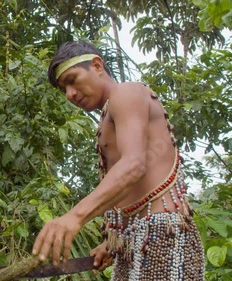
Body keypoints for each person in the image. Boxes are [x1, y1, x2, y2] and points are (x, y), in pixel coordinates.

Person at [31, 40, 205, 280]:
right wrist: (114, 241)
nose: (70, 94)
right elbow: (132, 185)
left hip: (160, 236)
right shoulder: (109, 115)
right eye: (63, 90)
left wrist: (75, 216)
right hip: (138, 242)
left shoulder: (126, 92)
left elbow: (134, 165)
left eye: (72, 80)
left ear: (97, 65)